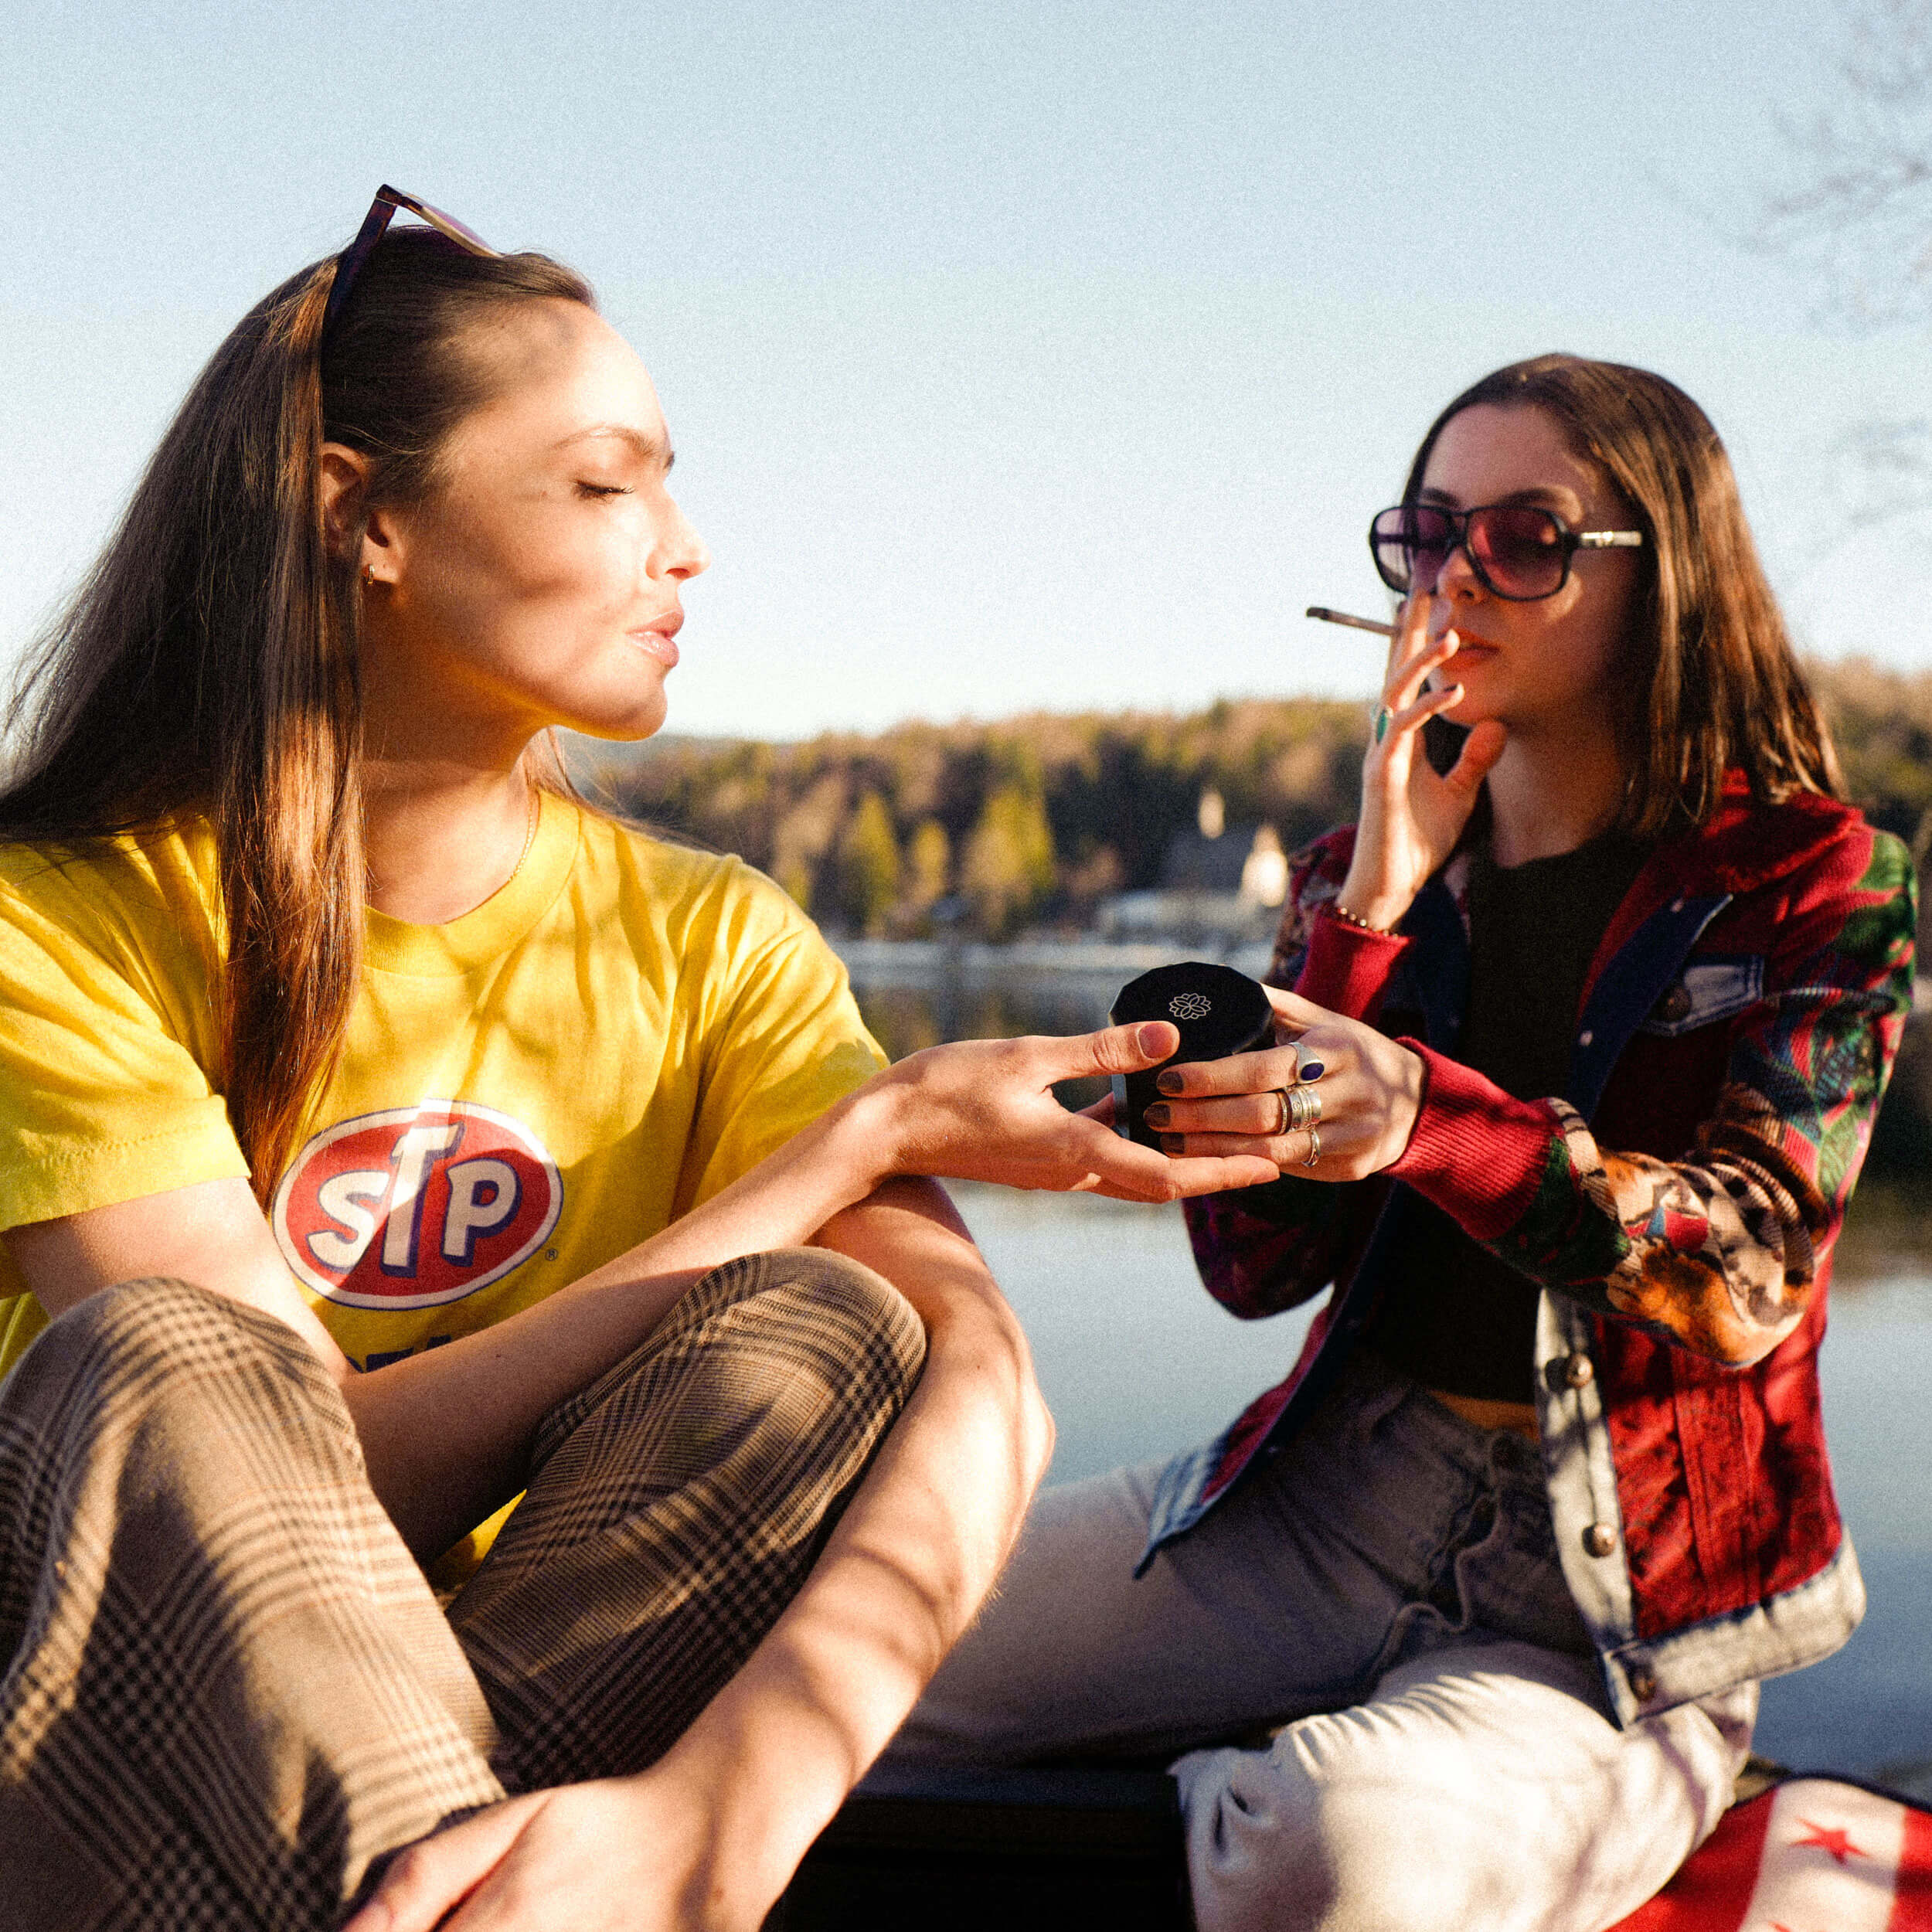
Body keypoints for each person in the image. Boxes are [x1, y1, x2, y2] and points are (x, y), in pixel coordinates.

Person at [0, 190, 1277, 1932]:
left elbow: (985, 1398)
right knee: (171, 1359)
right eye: (604, 483)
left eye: (667, 481)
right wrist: (841, 1149)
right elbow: (301, 1472)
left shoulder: (709, 938)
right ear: (357, 517)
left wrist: (716, 1816)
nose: (682, 544)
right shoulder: (52, 916)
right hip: (100, 1737)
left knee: (831, 1333)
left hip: (444, 1764)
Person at [891, 354, 1918, 1932]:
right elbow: (1250, 1264)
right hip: (1322, 1496)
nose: (1451, 575)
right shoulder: (1361, 874)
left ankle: (1260, 1765)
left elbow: (1743, 1266)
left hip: (1613, 1594)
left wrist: (1428, 1120)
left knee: (1325, 1848)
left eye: (1521, 536)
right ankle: (1244, 1737)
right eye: (1425, 532)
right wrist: (1365, 913)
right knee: (835, 1645)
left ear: (1668, 582)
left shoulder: (1814, 878)